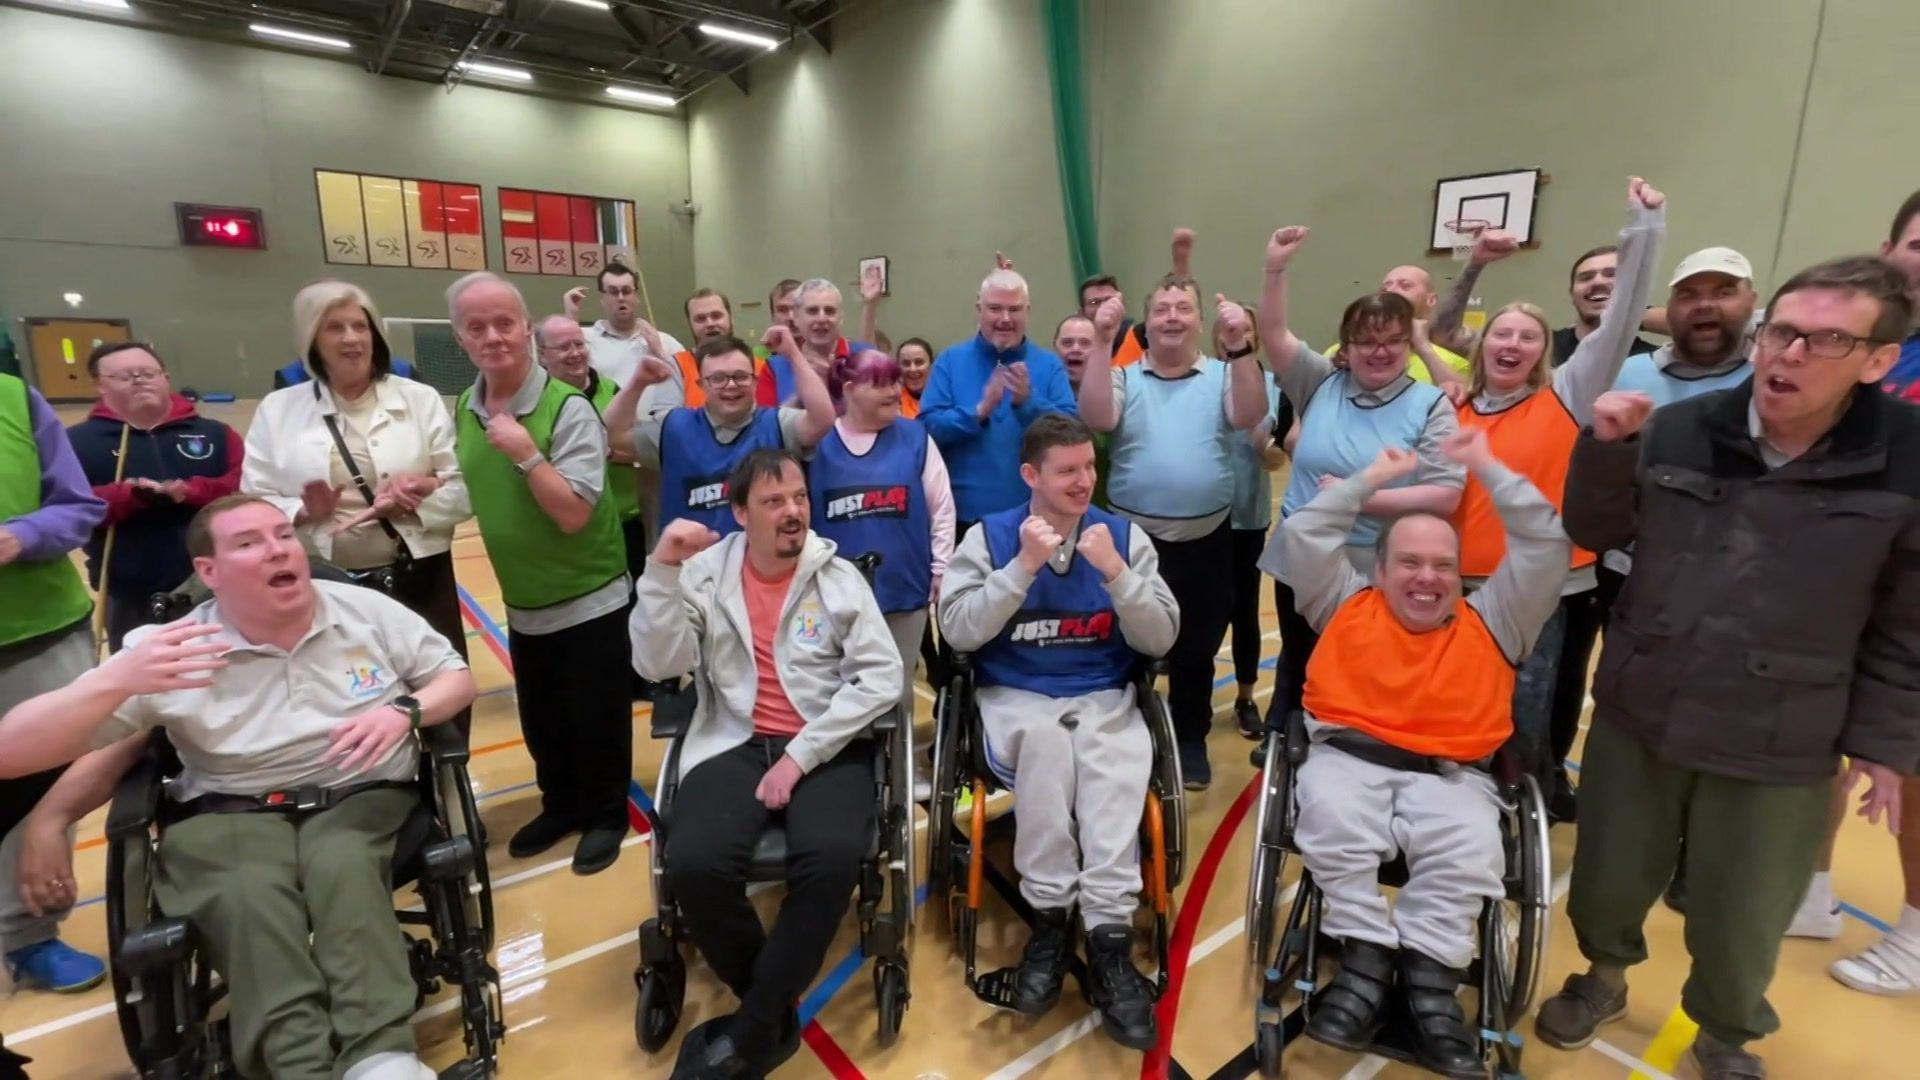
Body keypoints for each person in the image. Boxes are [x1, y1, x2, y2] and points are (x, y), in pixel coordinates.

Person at [1534, 257, 1920, 1080]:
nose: (1789, 355)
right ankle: (1602, 977)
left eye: (1826, 341)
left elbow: (1906, 621)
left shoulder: (1907, 458)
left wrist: (1884, 744)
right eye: (1783, 332)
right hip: (1646, 703)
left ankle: (1727, 1032)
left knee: (1745, 907)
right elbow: (1596, 530)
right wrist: (1608, 448)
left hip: (1782, 730)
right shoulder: (1682, 426)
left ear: (1879, 359)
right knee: (1607, 874)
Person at [0, 494, 476, 1080]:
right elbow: (12, 751)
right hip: (226, 809)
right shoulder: (170, 649)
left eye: (283, 534)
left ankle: (381, 1058)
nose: (278, 549)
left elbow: (453, 677)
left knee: (343, 866)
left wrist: (404, 711)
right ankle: (300, 1065)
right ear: (209, 571)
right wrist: (113, 685)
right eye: (249, 542)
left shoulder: (365, 611)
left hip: (359, 793)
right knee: (246, 893)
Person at [1281, 433, 1568, 1078]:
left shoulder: (1498, 618)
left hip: (1452, 774)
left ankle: (1431, 980)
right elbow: (1302, 534)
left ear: (1460, 574)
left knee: (1470, 851)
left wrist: (1488, 467)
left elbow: (1547, 545)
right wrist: (1366, 483)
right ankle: (1365, 957)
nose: (1426, 577)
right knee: (1330, 819)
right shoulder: (1341, 602)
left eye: (1442, 565)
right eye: (1409, 562)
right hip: (1347, 759)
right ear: (1379, 571)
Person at [631, 450, 903, 1078]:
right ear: (738, 513)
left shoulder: (836, 578)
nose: (793, 513)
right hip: (733, 737)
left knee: (833, 857)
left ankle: (753, 1029)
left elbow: (882, 678)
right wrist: (661, 572)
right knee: (694, 864)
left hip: (825, 738)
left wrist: (802, 756)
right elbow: (657, 663)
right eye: (774, 501)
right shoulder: (700, 573)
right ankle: (773, 1011)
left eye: (800, 498)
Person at [937, 413, 1180, 1049]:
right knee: (1049, 745)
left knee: (1111, 764)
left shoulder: (1123, 537)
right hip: (1017, 696)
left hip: (1102, 695)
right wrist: (1020, 567)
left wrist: (1118, 576)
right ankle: (1048, 917)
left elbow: (1160, 639)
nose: (1083, 482)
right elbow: (959, 632)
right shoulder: (988, 537)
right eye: (1067, 471)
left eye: (1089, 468)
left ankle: (1108, 937)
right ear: (1031, 475)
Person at [1440, 179, 1666, 818]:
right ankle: (1454, 818)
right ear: (1482, 347)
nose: (1511, 344)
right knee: (1458, 709)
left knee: (1524, 716)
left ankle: (1520, 819)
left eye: (1528, 337)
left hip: (1537, 592)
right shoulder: (1456, 405)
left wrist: (1643, 228)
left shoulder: (1566, 391)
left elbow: (1621, 319)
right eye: (1501, 335)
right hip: (1457, 588)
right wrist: (1475, 262)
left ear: (1547, 351)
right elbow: (1437, 328)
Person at [1254, 226, 1465, 760]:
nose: (1380, 351)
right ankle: (1284, 731)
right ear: (1346, 347)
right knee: (1297, 654)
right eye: (1367, 341)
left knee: (1357, 665)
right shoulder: (1319, 381)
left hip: (1378, 561)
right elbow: (1273, 333)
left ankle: (1347, 749)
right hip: (1306, 553)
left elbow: (1445, 494)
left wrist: (1355, 497)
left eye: (1393, 340)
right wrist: (1276, 268)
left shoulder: (1430, 404)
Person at [1784, 189, 1920, 992]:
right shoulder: (1866, 351)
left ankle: (1916, 932)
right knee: (1818, 743)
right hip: (1844, 581)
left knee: (1907, 766)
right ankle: (1808, 888)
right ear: (1890, 247)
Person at [449, 272, 631, 874]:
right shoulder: (466, 406)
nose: (493, 336)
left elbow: (576, 512)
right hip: (524, 599)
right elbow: (472, 488)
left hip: (589, 595)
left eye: (504, 323)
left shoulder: (568, 407)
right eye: (477, 327)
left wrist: (525, 451)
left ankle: (605, 814)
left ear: (526, 329)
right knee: (545, 721)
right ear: (460, 338)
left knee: (596, 717)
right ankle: (561, 806)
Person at [242, 280, 472, 736]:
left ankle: (449, 788)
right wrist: (304, 512)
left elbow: (462, 485)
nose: (351, 338)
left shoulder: (418, 398)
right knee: (350, 698)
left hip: (418, 575)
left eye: (359, 326)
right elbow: (253, 497)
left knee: (440, 691)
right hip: (325, 583)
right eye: (335, 328)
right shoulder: (278, 409)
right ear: (312, 339)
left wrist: (417, 495)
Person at [1079, 279, 1268, 788]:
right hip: (1132, 542)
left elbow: (1250, 416)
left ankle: (1189, 740)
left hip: (1206, 540)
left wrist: (1241, 348)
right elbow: (1095, 416)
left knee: (1197, 649)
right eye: (1160, 308)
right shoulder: (1122, 376)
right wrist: (1101, 339)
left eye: (1183, 307)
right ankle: (1124, 738)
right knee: (1125, 643)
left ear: (1199, 320)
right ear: (1147, 321)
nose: (1171, 316)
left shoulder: (1225, 375)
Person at [0, 370, 107, 995]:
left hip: (39, 632)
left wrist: (23, 535)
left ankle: (28, 936)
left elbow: (78, 508)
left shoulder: (16, 397)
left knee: (40, 795)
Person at [805, 349, 954, 728]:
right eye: (881, 384)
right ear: (851, 389)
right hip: (835, 596)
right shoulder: (818, 443)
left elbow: (942, 509)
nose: (893, 391)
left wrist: (940, 567)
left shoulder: (916, 437)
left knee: (897, 686)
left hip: (905, 589)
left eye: (894, 382)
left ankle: (898, 769)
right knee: (840, 687)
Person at [67, 341, 243, 649]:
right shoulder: (76, 442)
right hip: (128, 591)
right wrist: (128, 495)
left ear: (165, 377)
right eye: (124, 376)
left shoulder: (216, 434)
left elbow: (241, 489)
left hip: (219, 583)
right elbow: (66, 509)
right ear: (99, 385)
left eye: (148, 372)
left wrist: (190, 491)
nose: (139, 380)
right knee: (143, 684)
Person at [606, 331, 834, 536]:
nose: (731, 385)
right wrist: (638, 383)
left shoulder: (777, 424)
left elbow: (822, 419)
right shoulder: (673, 427)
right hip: (690, 571)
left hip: (762, 569)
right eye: (718, 378)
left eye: (740, 376)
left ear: (755, 382)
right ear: (701, 385)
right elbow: (612, 434)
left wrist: (793, 354)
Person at [920, 268, 1078, 528]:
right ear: (978, 309)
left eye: (1014, 309)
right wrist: (980, 410)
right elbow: (927, 432)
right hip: (964, 521)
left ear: (1028, 311)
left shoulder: (1049, 366)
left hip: (1038, 519)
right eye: (995, 308)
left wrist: (1029, 403)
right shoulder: (950, 361)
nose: (1005, 319)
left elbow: (1072, 435)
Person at [1214, 306, 1289, 739]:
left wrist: (1266, 447)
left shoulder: (1274, 386)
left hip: (1246, 516)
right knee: (1196, 612)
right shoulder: (1203, 379)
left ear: (1255, 336)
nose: (1232, 335)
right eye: (1225, 330)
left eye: (1241, 328)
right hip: (1199, 516)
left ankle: (1244, 698)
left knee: (1244, 611)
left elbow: (1280, 458)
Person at [562, 262, 690, 393]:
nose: (621, 298)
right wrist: (571, 316)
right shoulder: (584, 339)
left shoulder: (664, 341)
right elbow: (565, 375)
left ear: (637, 297)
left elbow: (689, 385)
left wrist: (659, 352)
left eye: (626, 291)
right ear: (602, 299)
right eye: (613, 292)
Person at [754, 279, 873, 407]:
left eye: (829, 311)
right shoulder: (774, 368)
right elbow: (767, 424)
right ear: (796, 318)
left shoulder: (865, 356)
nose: (822, 318)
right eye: (812, 311)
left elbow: (890, 415)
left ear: (841, 318)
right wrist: (803, 396)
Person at [1550, 246, 1663, 366]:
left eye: (1611, 274)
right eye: (1586, 277)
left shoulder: (1653, 363)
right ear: (1572, 295)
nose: (1597, 281)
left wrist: (1633, 311)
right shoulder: (1541, 348)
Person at [896, 337, 936, 418]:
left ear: (931, 365)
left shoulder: (946, 400)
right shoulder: (893, 402)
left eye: (919, 362)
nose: (912, 369)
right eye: (906, 363)